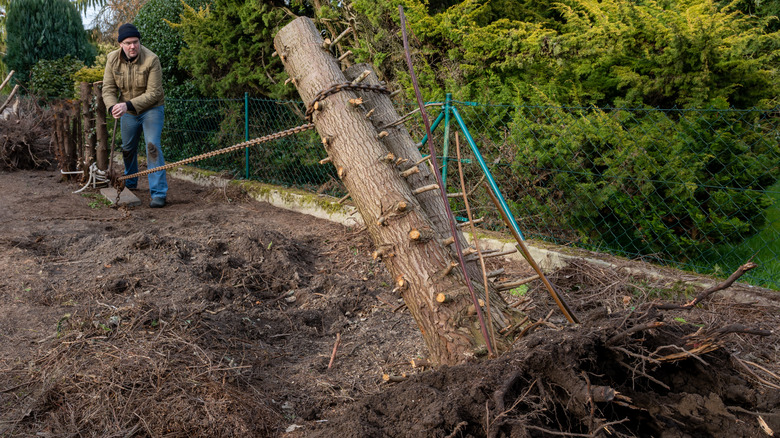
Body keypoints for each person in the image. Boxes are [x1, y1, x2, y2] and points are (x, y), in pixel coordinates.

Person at [102, 23, 168, 208]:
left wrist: (127, 104)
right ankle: (131, 181)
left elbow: (154, 93)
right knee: (128, 148)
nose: (133, 46)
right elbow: (108, 88)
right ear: (120, 44)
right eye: (128, 43)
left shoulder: (151, 59)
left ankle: (158, 193)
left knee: (152, 146)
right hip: (127, 112)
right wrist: (112, 107)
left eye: (136, 42)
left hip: (152, 109)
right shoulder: (112, 59)